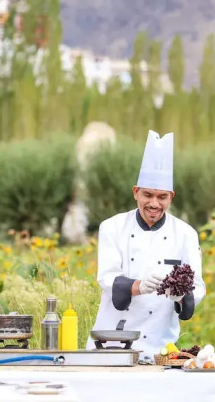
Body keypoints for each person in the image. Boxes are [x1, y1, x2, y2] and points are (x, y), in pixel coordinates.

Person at [86, 130, 206, 362]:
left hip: (160, 349)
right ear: (135, 193)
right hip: (111, 344)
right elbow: (107, 278)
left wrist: (180, 295)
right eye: (147, 195)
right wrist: (138, 286)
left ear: (171, 197)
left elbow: (197, 287)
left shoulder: (186, 234)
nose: (154, 203)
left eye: (162, 197)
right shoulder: (112, 227)